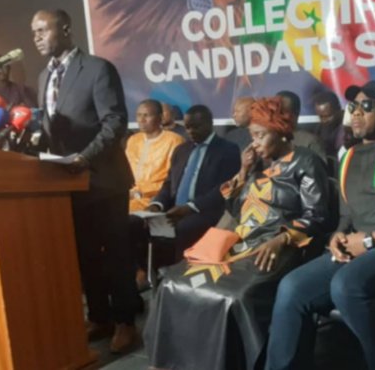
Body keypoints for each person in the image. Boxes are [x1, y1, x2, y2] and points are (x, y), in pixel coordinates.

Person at [145, 97, 335, 370]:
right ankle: (174, 362)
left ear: (281, 132)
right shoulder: (257, 164)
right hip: (241, 240)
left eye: (260, 135)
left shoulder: (306, 162)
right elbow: (235, 209)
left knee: (235, 297)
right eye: (252, 136)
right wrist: (244, 172)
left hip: (278, 246)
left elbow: (316, 216)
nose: (254, 143)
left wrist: (281, 239)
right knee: (173, 284)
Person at [266, 80, 375, 370]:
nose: (357, 112)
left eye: (367, 106)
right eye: (353, 106)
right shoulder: (349, 155)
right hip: (359, 249)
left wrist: (374, 238)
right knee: (292, 287)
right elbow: (347, 215)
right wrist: (336, 237)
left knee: (347, 284)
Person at [31, 9, 138, 352]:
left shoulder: (96, 68)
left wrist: (85, 157)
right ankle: (100, 316)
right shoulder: (44, 77)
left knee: (116, 253)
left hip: (104, 180)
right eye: (33, 32)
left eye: (42, 30)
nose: (36, 37)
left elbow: (115, 121)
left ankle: (125, 322)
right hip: (68, 183)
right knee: (86, 255)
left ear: (65, 29)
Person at [147, 104, 241, 259]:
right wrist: (157, 204)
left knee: (181, 228)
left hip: (205, 210)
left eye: (196, 127)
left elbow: (224, 188)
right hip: (174, 210)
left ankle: (176, 270)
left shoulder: (227, 150)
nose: (190, 131)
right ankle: (149, 270)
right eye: (187, 127)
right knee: (138, 224)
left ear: (209, 124)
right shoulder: (181, 150)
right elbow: (169, 183)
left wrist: (190, 208)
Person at [125, 99, 185, 212]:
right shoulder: (133, 140)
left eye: (146, 115)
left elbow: (173, 180)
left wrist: (139, 192)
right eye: (139, 115)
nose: (141, 120)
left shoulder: (174, 141)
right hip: (128, 196)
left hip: (156, 199)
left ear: (160, 118)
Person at [277, 90, 327, 160]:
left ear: (295, 114)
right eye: (274, 111)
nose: (276, 115)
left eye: (282, 112)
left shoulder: (309, 142)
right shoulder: (267, 139)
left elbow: (320, 166)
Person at [312, 90, 345, 158]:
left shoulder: (348, 128)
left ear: (338, 110)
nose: (324, 121)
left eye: (327, 116)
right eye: (321, 117)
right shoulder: (319, 129)